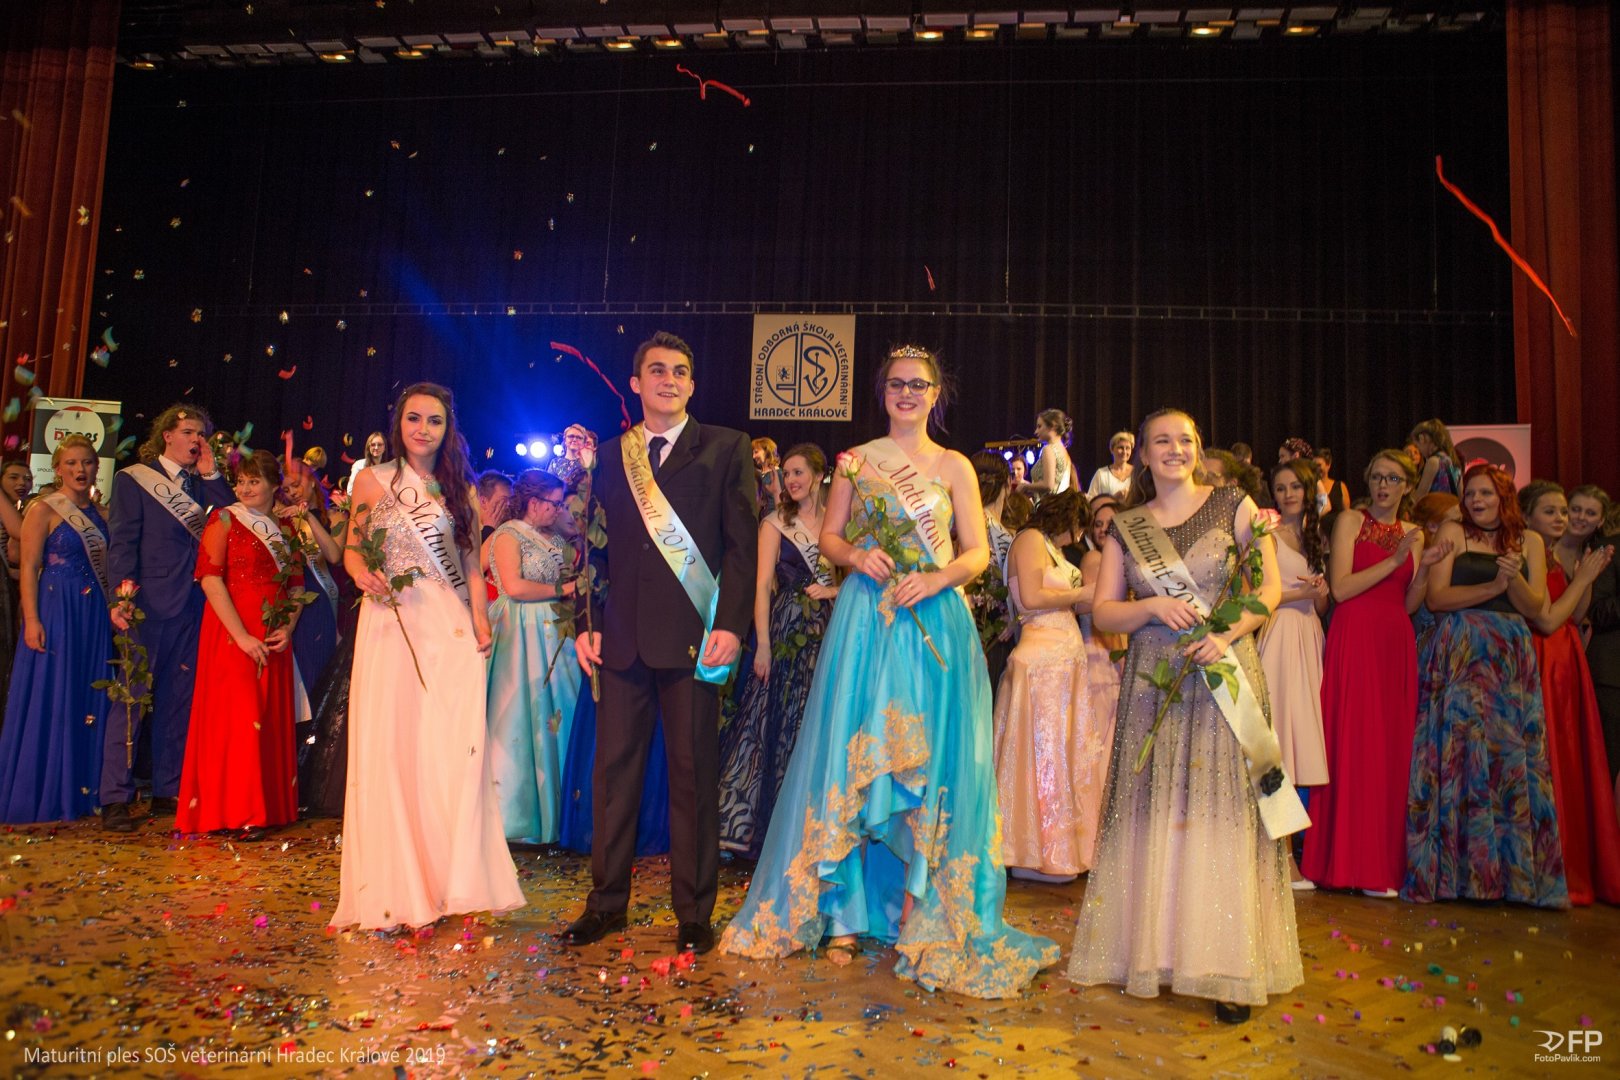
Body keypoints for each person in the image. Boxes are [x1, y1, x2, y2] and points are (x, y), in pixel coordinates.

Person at [720, 344, 1058, 998]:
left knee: (926, 760)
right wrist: (856, 558)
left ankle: (917, 908)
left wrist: (936, 577)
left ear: (936, 394)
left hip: (933, 619)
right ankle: (844, 915)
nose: (907, 393)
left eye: (918, 384)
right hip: (867, 622)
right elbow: (831, 537)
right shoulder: (855, 460)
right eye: (897, 384)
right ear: (883, 392)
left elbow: (977, 552)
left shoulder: (954, 465)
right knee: (854, 754)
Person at [1068, 408, 1302, 1024]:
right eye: (1162, 441)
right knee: (1161, 810)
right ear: (1142, 455)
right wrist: (1150, 607)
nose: (1175, 449)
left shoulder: (1234, 505)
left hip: (1224, 670)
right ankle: (1162, 952)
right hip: (1156, 682)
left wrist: (1224, 636)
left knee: (1222, 811)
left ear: (1198, 448)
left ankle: (1228, 965)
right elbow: (1104, 612)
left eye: (1186, 440)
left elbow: (1269, 589)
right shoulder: (1128, 527)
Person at [566, 332, 757, 956]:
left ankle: (695, 913)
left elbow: (742, 547)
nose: (668, 380)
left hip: (695, 640)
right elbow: (593, 548)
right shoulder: (609, 455)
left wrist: (731, 625)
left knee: (693, 778)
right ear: (636, 382)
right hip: (621, 641)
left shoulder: (726, 447)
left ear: (692, 385)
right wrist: (585, 621)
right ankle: (606, 904)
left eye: (679, 371)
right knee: (612, 779)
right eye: (657, 370)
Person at [331, 383, 523, 931]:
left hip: (446, 626)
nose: (423, 429)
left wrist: (480, 621)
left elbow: (471, 565)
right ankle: (397, 886)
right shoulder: (372, 480)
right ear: (399, 424)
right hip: (391, 621)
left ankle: (447, 880)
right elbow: (351, 547)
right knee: (392, 747)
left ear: (447, 428)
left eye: (434, 421)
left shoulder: (461, 490)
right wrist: (359, 572)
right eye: (414, 418)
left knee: (447, 750)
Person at [1404, 463, 1565, 907]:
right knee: (1460, 757)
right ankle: (1457, 876)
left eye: (1485, 493)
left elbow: (1534, 607)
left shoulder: (1529, 541)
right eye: (1471, 493)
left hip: (1510, 660)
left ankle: (1512, 878)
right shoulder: (1453, 532)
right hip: (1461, 652)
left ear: (1504, 496)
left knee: (1508, 761)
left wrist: (1512, 579)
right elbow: (1437, 598)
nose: (1476, 500)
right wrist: (1494, 583)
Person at [1302, 451, 1444, 896]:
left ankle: (1378, 866)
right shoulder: (1351, 521)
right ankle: (1341, 862)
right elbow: (1342, 588)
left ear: (1408, 486)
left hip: (1393, 640)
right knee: (1350, 742)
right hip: (1355, 633)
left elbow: (1410, 602)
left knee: (1388, 748)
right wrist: (1394, 559)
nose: (1384, 485)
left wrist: (1425, 567)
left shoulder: (1414, 534)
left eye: (1393, 478)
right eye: (1378, 477)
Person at [101, 405, 234, 831]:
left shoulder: (202, 483)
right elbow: (123, 542)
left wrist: (212, 477)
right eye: (189, 432)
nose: (197, 440)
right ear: (167, 436)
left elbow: (231, 522)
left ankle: (167, 788)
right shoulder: (134, 479)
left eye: (202, 434)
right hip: (147, 605)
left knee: (178, 702)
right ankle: (115, 797)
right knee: (131, 701)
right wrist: (120, 597)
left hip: (195, 606)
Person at [718, 443, 837, 860]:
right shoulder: (774, 523)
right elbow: (760, 587)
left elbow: (858, 577)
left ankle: (814, 825)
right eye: (787, 474)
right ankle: (761, 827)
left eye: (799, 472)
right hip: (787, 628)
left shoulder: (838, 523)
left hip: (830, 630)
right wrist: (763, 646)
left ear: (819, 476)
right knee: (776, 722)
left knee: (817, 722)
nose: (791, 480)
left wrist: (834, 591)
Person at [175, 451, 303, 839]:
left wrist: (288, 627)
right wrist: (242, 636)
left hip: (272, 632)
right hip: (232, 630)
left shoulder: (287, 528)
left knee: (265, 716)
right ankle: (235, 811)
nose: (245, 488)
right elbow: (210, 579)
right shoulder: (224, 519)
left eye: (254, 481)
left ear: (273, 486)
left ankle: (264, 809)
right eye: (241, 481)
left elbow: (297, 587)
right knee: (237, 718)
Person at [994, 489, 1107, 882]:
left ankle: (1062, 849)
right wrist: (1080, 593)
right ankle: (1035, 852)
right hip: (1042, 660)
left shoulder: (1051, 549)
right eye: (1078, 528)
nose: (1077, 538)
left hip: (1062, 661)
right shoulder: (1029, 540)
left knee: (1063, 752)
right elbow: (1030, 597)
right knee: (1044, 755)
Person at [0, 436, 112, 823]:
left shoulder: (103, 514)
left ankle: (84, 789)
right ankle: (47, 789)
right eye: (72, 463)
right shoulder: (43, 508)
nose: (80, 470)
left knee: (88, 692)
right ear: (58, 468)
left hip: (94, 613)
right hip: (56, 610)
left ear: (96, 467)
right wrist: (31, 620)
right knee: (55, 691)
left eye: (88, 463)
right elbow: (29, 567)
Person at [1519, 481, 1620, 905]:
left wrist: (1585, 576)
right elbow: (1548, 618)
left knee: (1571, 759)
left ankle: (1574, 862)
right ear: (1528, 518)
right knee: (1547, 760)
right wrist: (1584, 580)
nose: (1565, 518)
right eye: (1555, 511)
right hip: (1543, 657)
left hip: (1568, 660)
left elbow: (1577, 614)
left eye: (1567, 512)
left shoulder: (1571, 554)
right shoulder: (1532, 553)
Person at [486, 469, 581, 844]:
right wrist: (564, 588)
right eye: (554, 504)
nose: (558, 510)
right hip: (521, 631)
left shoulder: (555, 537)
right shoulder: (507, 535)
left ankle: (564, 810)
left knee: (561, 711)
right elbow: (514, 587)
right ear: (533, 502)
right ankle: (520, 813)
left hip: (555, 629)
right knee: (524, 714)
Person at [1260, 459, 1331, 890]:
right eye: (1281, 487)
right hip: (1281, 636)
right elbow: (1258, 595)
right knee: (1279, 747)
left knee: (1304, 744)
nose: (1287, 494)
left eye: (1294, 487)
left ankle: (1298, 853)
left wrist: (1318, 594)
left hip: (1310, 636)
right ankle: (1283, 858)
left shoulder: (1317, 537)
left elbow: (1321, 605)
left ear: (1307, 491)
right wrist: (1297, 593)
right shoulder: (1266, 537)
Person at [278, 460, 342, 704]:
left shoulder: (337, 516)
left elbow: (334, 556)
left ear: (312, 481)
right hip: (297, 604)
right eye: (286, 490)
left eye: (296, 485)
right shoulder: (285, 518)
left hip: (324, 604)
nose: (292, 493)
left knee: (321, 680)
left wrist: (308, 518)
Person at [966, 451, 1015, 688]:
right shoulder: (992, 530)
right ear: (1008, 484)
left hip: (979, 625)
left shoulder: (964, 524)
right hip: (989, 632)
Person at [1019, 409, 1074, 499]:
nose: (1036, 432)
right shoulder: (1064, 450)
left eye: (1039, 426)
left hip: (1049, 504)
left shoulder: (1048, 449)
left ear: (1053, 425)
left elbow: (1048, 485)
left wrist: (1025, 486)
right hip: (1061, 502)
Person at [1409, 419, 1461, 498]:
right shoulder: (1454, 461)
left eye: (1417, 446)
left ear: (1422, 438)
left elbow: (1419, 496)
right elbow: (1460, 496)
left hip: (1435, 505)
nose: (1419, 450)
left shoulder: (1433, 461)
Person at [1086, 431, 1135, 499]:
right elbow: (1091, 500)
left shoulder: (1136, 473)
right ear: (1112, 449)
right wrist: (1114, 498)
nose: (1124, 451)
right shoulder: (1101, 474)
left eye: (1128, 448)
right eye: (1120, 448)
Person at [752, 437, 783, 519]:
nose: (753, 456)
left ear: (767, 451)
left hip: (774, 518)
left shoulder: (778, 473)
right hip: (760, 518)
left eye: (756, 452)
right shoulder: (758, 474)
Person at [1312, 449, 1351, 514]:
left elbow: (1347, 513)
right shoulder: (1309, 487)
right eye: (1313, 465)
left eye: (1319, 465)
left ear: (1328, 465)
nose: (1316, 468)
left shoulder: (1339, 486)